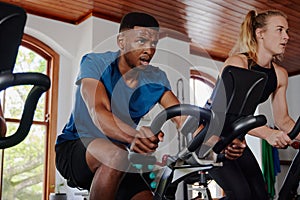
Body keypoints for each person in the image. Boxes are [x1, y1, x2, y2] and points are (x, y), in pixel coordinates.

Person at [54, 12, 186, 200]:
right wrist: (136, 137)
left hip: (121, 157)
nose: (149, 49)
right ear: (121, 41)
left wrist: (216, 140)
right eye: (141, 41)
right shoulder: (95, 63)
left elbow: (183, 117)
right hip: (77, 148)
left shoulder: (157, 78)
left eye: (154, 43)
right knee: (116, 155)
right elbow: (99, 112)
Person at [208, 9, 299, 200]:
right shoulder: (238, 63)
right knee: (241, 194)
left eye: (287, 31)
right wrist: (267, 133)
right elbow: (229, 114)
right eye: (280, 30)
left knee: (260, 195)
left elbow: (283, 121)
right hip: (211, 136)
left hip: (237, 139)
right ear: (260, 33)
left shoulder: (279, 74)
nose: (286, 36)